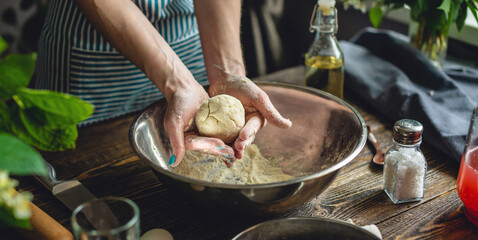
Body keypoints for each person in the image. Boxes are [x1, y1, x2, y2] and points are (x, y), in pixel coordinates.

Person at [35, 0, 292, 166]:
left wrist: (227, 72)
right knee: (84, 166)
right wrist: (179, 83)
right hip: (94, 59)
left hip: (193, 44)